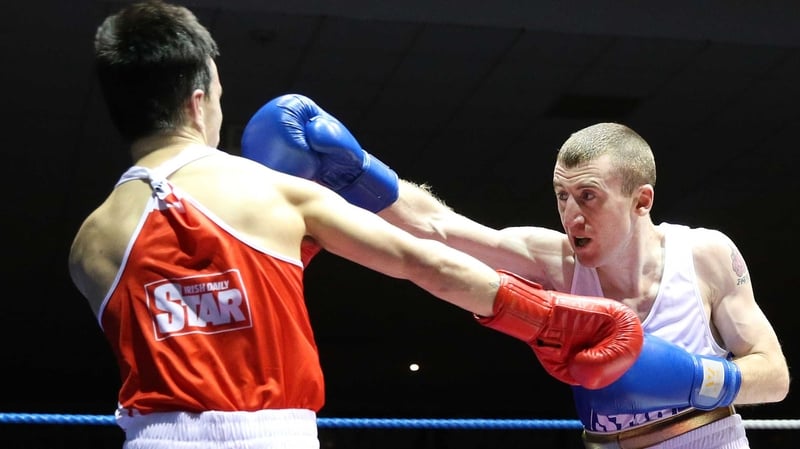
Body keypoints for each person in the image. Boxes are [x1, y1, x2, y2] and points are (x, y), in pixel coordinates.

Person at [68, 2, 645, 448]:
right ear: (198, 102)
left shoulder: (89, 243)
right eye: (218, 93)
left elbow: (188, 326)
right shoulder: (269, 191)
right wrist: (547, 321)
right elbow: (428, 261)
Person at [241, 93, 791, 449]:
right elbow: (436, 226)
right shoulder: (553, 259)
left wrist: (698, 380)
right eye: (561, 196)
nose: (571, 214)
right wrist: (358, 170)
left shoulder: (705, 255)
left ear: (641, 200)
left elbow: (776, 377)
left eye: (589, 197)